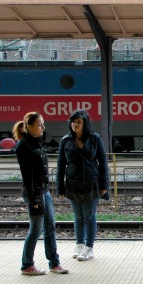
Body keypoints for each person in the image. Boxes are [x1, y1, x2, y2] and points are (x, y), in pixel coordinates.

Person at [13, 112, 69, 275]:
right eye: (40, 125)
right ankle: (27, 265)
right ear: (29, 126)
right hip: (35, 194)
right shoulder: (24, 145)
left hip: (44, 191)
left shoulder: (37, 143)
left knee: (50, 227)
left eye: (43, 124)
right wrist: (34, 199)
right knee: (36, 229)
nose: (43, 128)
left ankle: (54, 263)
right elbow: (27, 176)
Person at [56, 110, 109, 262]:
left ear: (85, 123)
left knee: (89, 216)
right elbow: (61, 165)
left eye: (78, 122)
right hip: (72, 183)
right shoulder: (65, 141)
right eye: (73, 122)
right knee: (78, 216)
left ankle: (89, 247)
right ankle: (79, 244)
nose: (75, 125)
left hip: (91, 182)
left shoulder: (94, 139)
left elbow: (103, 162)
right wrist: (60, 187)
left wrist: (104, 184)